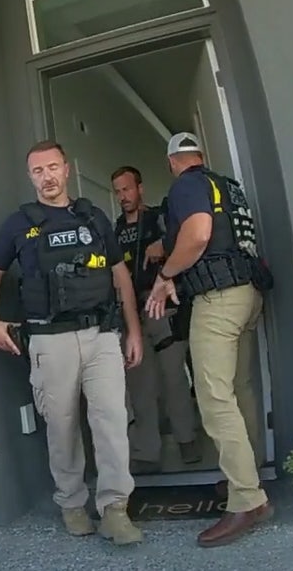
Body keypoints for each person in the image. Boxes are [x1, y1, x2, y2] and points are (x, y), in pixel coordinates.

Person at [0, 140, 145, 545]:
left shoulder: (94, 217)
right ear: (30, 176)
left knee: (111, 422)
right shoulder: (20, 223)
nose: (47, 176)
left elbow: (120, 275)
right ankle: (72, 504)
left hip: (101, 334)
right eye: (38, 170)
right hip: (50, 341)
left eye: (53, 167)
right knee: (62, 426)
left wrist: (133, 330)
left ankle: (115, 509)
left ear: (66, 170)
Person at [144, 132, 273, 548]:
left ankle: (247, 499)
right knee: (241, 389)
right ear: (199, 155)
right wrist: (162, 245)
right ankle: (247, 474)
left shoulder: (185, 186)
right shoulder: (225, 186)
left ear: (171, 162)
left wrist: (164, 278)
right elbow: (214, 233)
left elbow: (198, 235)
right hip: (247, 294)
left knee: (215, 398)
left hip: (217, 300)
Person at [110, 166, 201, 472]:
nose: (123, 196)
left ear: (140, 189)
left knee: (174, 376)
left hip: (162, 306)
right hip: (132, 312)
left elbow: (184, 245)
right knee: (140, 384)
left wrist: (161, 248)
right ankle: (147, 451)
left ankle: (187, 440)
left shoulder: (159, 220)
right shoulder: (115, 230)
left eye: (127, 189)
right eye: (118, 191)